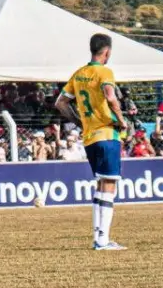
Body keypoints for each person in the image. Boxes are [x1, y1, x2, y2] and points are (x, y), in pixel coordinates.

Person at [55, 33, 130, 250]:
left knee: (101, 184)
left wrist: (80, 122)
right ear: (107, 51)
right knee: (109, 184)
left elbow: (60, 103)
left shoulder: (79, 74)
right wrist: (122, 121)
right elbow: (110, 96)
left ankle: (99, 237)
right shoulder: (104, 72)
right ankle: (102, 241)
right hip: (107, 134)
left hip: (89, 138)